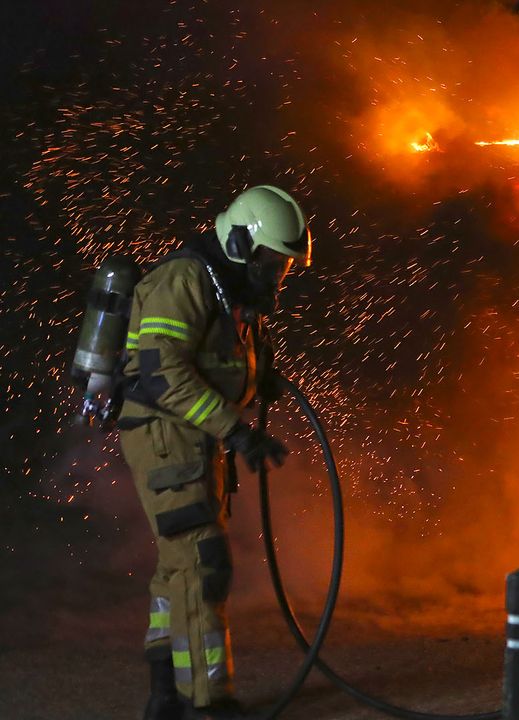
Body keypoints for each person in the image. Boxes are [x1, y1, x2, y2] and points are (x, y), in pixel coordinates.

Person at [117, 185, 311, 719]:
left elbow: (224, 357)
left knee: (177, 563)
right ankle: (207, 702)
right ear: (242, 242)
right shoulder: (184, 282)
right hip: (164, 435)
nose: (277, 276)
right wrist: (237, 430)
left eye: (284, 266)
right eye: (272, 262)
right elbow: (165, 375)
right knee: (202, 560)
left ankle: (164, 693)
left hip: (194, 437)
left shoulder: (229, 287)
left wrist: (261, 380)